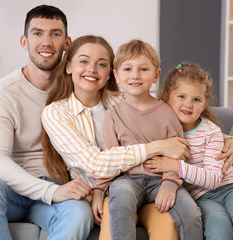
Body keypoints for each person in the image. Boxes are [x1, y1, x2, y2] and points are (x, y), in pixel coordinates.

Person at [41, 35, 194, 239]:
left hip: (155, 184)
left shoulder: (130, 97)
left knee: (167, 222)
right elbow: (97, 163)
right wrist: (158, 146)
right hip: (111, 188)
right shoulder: (57, 112)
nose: (92, 69)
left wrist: (224, 138)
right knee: (116, 211)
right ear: (69, 67)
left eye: (101, 64)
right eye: (84, 61)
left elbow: (188, 112)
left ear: (109, 74)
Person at [0, 5, 95, 240]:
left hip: (56, 192)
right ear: (24, 41)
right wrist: (51, 191)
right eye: (37, 33)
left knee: (79, 213)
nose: (46, 42)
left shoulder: (78, 88)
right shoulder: (3, 92)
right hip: (11, 191)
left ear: (67, 43)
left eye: (55, 34)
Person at [90, 40, 203, 240]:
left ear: (156, 75)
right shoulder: (112, 116)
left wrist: (169, 186)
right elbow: (110, 160)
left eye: (143, 69)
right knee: (120, 199)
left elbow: (179, 153)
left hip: (161, 179)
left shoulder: (168, 113)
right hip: (128, 180)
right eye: (127, 69)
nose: (135, 75)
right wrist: (98, 191)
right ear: (116, 75)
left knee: (191, 212)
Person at [146, 63, 233, 240]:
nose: (188, 104)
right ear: (166, 96)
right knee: (219, 231)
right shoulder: (161, 132)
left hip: (231, 187)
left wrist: (175, 166)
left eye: (196, 99)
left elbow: (213, 179)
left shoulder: (211, 132)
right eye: (181, 96)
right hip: (202, 198)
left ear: (204, 103)